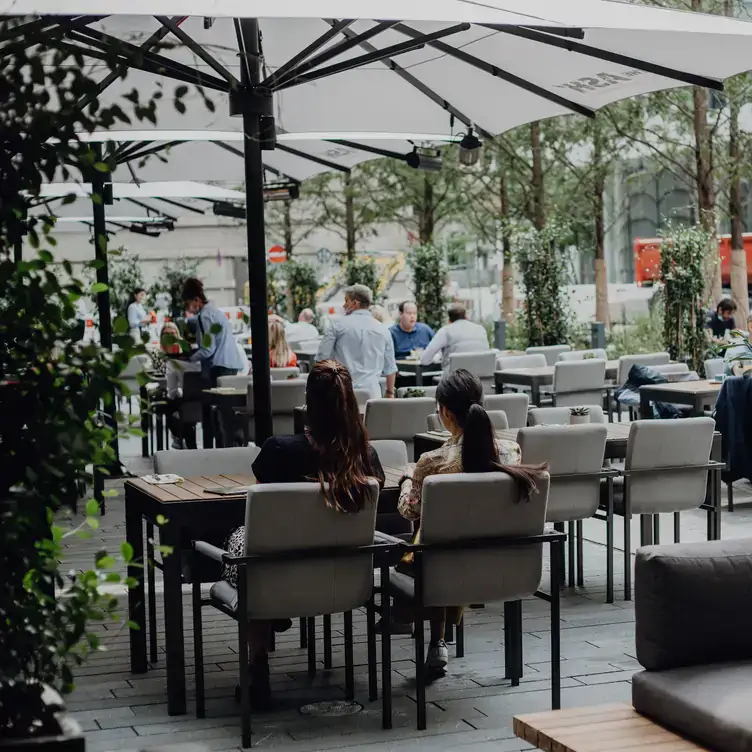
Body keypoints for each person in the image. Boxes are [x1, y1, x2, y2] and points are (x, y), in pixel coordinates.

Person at [222, 360, 385, 707]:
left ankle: (258, 665)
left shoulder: (279, 450)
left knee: (248, 548)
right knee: (263, 551)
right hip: (344, 577)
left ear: (308, 402)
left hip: (278, 570)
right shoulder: (365, 456)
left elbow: (266, 505)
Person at [396, 369, 543, 677]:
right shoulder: (510, 451)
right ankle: (434, 637)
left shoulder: (432, 462)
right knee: (454, 539)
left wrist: (408, 479)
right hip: (503, 566)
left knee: (432, 542)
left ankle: (431, 635)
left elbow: (409, 511)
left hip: (445, 572)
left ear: (445, 411)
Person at [315, 284, 397, 399]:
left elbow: (322, 359)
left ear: (355, 304)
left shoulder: (337, 326)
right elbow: (390, 368)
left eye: (346, 301)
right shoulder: (383, 330)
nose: (343, 305)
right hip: (372, 394)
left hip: (341, 392)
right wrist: (390, 392)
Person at [181, 277, 246, 386]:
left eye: (188, 304)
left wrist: (189, 358)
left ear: (196, 300)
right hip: (231, 364)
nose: (188, 309)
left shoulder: (204, 317)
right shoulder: (216, 312)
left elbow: (208, 350)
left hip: (220, 367)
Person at [158, 322, 202, 449]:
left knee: (171, 405)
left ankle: (179, 437)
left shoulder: (177, 358)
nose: (170, 337)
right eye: (166, 334)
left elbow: (172, 391)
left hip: (183, 395)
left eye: (172, 334)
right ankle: (184, 440)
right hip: (198, 397)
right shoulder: (200, 358)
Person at [419, 303, 489, 371]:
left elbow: (424, 360)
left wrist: (437, 358)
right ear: (466, 318)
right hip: (481, 378)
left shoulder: (445, 331)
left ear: (449, 321)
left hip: (455, 379)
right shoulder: (481, 329)